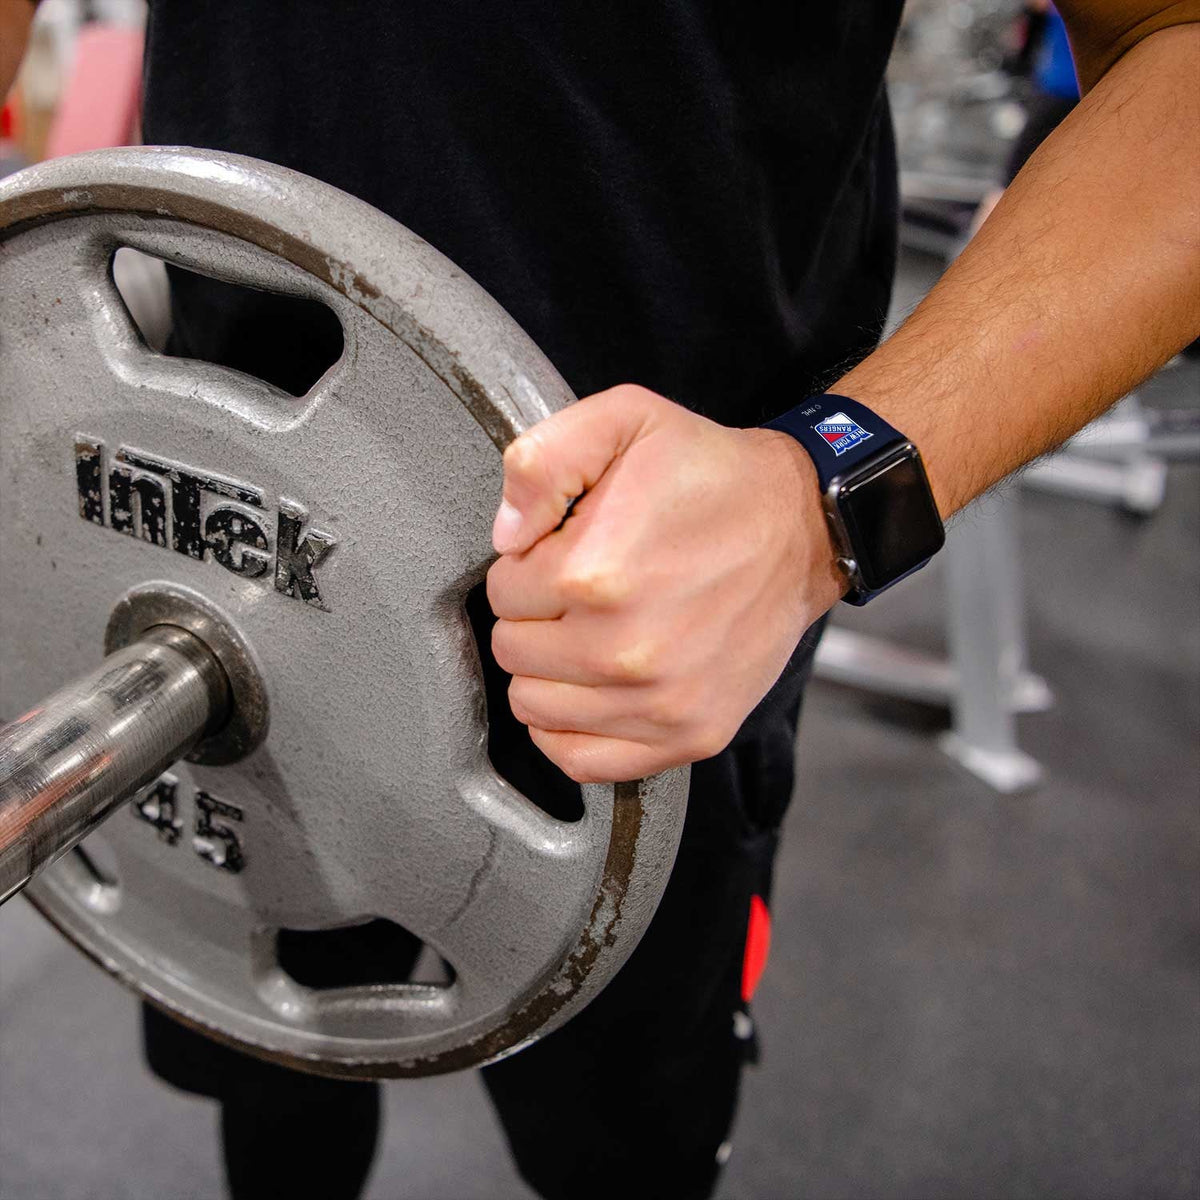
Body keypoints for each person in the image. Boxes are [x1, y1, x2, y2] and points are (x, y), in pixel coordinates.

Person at [2, 2, 1197, 1198]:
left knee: (620, 1143)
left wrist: (814, 499)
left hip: (638, 621)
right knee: (271, 1061)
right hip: (190, 495)